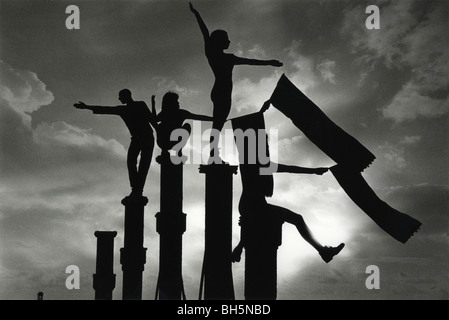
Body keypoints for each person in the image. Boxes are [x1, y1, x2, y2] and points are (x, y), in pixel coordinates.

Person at [231, 101, 345, 264]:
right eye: (265, 142)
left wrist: (261, 113)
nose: (267, 144)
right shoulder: (258, 164)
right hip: (253, 206)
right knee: (296, 219)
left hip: (252, 206)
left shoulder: (254, 163)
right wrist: (313, 171)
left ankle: (322, 251)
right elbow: (289, 168)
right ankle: (322, 251)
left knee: (261, 223)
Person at [189, 2, 283, 164]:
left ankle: (214, 154)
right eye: (226, 39)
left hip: (219, 91)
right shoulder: (221, 56)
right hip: (222, 93)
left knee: (218, 125)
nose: (229, 41)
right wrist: (196, 14)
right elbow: (205, 32)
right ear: (220, 41)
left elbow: (249, 61)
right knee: (218, 125)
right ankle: (213, 155)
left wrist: (269, 62)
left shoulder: (217, 55)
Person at [74, 89, 158, 197]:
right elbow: (105, 109)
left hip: (147, 137)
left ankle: (138, 189)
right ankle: (135, 187)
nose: (119, 99)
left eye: (120, 96)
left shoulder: (140, 105)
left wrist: (158, 129)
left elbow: (152, 120)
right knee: (131, 161)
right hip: (136, 139)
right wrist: (87, 107)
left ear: (127, 96)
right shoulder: (122, 109)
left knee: (143, 164)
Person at [155, 91, 213, 161]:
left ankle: (169, 151)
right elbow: (154, 120)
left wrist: (214, 119)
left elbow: (198, 117)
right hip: (165, 141)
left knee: (183, 127)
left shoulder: (164, 114)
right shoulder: (178, 113)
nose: (178, 103)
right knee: (186, 126)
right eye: (176, 101)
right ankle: (175, 151)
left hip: (166, 142)